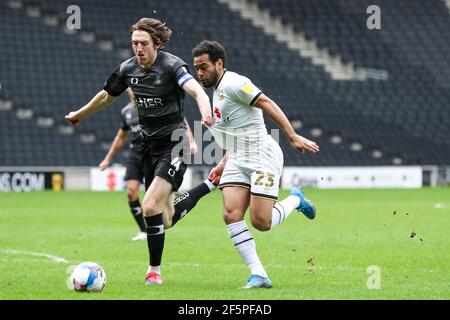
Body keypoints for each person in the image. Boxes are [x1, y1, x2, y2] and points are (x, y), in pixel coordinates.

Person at [65, 18, 215, 286]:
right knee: (164, 218)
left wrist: (206, 111)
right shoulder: (128, 69)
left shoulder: (172, 66)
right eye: (135, 43)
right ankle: (208, 185)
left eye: (144, 43)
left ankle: (153, 272)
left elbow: (195, 90)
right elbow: (106, 95)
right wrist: (80, 114)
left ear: (156, 44)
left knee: (148, 207)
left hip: (175, 143)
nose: (138, 48)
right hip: (148, 146)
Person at [192, 40, 320, 289]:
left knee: (261, 222)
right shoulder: (217, 94)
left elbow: (267, 103)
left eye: (204, 67)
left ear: (219, 63)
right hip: (238, 159)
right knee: (231, 214)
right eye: (197, 68)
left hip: (263, 157)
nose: (200, 73)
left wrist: (292, 135)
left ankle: (295, 199)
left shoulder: (235, 83)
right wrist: (222, 163)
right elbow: (238, 134)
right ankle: (258, 274)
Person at [99, 88, 200, 241]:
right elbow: (121, 137)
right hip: (135, 154)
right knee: (131, 191)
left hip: (154, 152)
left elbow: (180, 119)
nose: (133, 91)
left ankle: (161, 217)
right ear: (127, 91)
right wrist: (108, 158)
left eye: (135, 88)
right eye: (130, 89)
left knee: (153, 197)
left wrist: (191, 141)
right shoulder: (126, 111)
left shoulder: (153, 104)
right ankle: (143, 230)